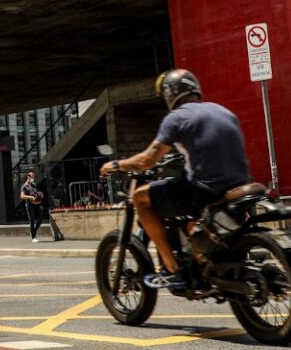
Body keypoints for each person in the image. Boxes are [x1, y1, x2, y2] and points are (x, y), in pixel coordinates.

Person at [99, 68, 252, 293]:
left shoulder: (177, 118)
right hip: (240, 186)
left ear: (170, 95)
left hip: (204, 190)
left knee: (141, 198)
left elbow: (147, 160)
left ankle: (172, 270)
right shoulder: (223, 112)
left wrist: (115, 165)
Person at [20, 170, 45, 242]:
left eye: (34, 177)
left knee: (40, 220)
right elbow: (22, 196)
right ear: (28, 177)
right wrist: (30, 197)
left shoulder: (34, 185)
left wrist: (40, 194)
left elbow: (36, 193)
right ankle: (33, 237)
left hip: (37, 204)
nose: (33, 178)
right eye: (32, 177)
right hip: (29, 205)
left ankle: (33, 231)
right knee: (32, 221)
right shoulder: (24, 186)